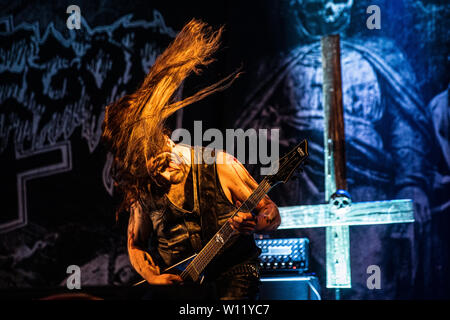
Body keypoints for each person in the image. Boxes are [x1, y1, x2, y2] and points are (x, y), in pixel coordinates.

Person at [101, 19, 280, 300]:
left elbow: (270, 212)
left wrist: (255, 223)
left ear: (160, 142)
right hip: (179, 286)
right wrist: (153, 276)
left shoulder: (218, 164)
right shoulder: (143, 186)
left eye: (152, 162)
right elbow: (135, 245)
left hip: (230, 278)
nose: (151, 171)